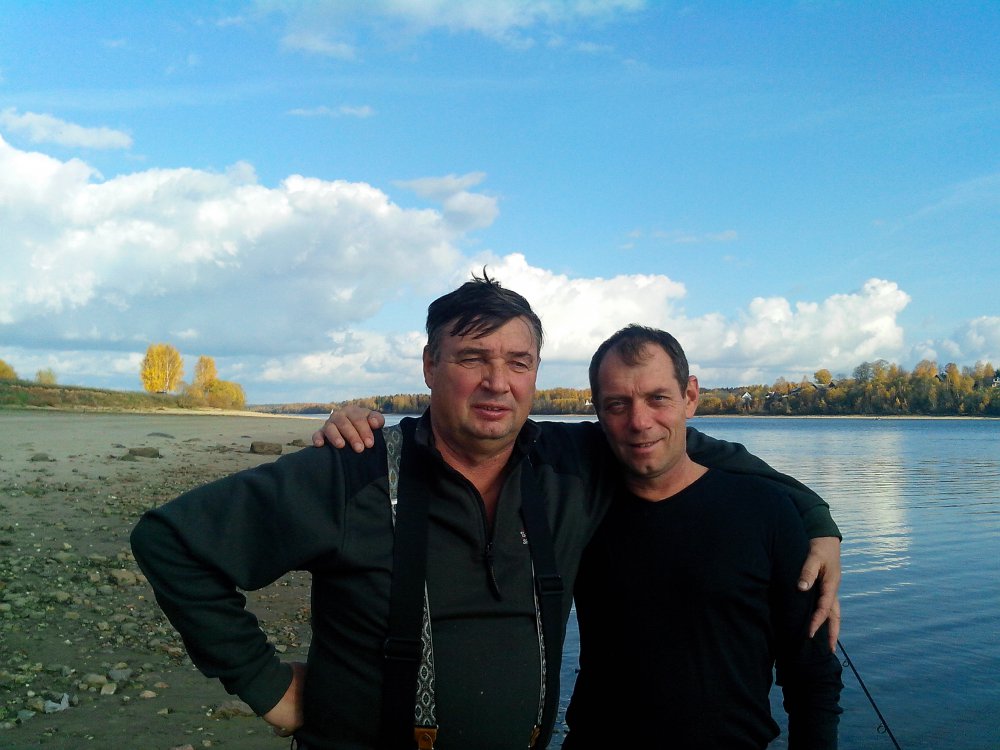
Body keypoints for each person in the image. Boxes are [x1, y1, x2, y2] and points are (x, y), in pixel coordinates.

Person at [132, 273, 840, 750]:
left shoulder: (570, 466)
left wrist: (816, 522)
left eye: (518, 362)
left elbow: (676, 445)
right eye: (473, 358)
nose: (497, 382)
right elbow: (172, 543)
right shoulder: (353, 470)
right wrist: (265, 686)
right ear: (429, 365)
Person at [562, 325, 842, 748]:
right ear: (598, 410)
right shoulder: (577, 511)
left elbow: (812, 678)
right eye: (617, 404)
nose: (639, 422)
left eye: (658, 398)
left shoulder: (766, 511)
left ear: (690, 396)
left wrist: (820, 527)